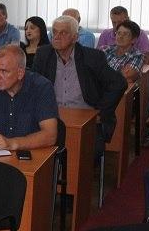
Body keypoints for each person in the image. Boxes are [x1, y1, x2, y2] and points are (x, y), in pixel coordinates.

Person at [33, 15, 127, 146]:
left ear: (75, 37)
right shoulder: (43, 54)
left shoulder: (92, 57)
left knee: (89, 151)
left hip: (85, 118)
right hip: (52, 118)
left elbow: (119, 83)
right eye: (54, 32)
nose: (57, 36)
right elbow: (34, 85)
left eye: (63, 33)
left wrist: (101, 112)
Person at [102, 19, 145, 84]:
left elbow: (126, 76)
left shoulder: (137, 56)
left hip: (116, 88)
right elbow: (94, 69)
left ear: (133, 39)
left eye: (125, 34)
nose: (120, 37)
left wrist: (103, 72)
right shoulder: (106, 50)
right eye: (118, 33)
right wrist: (119, 72)